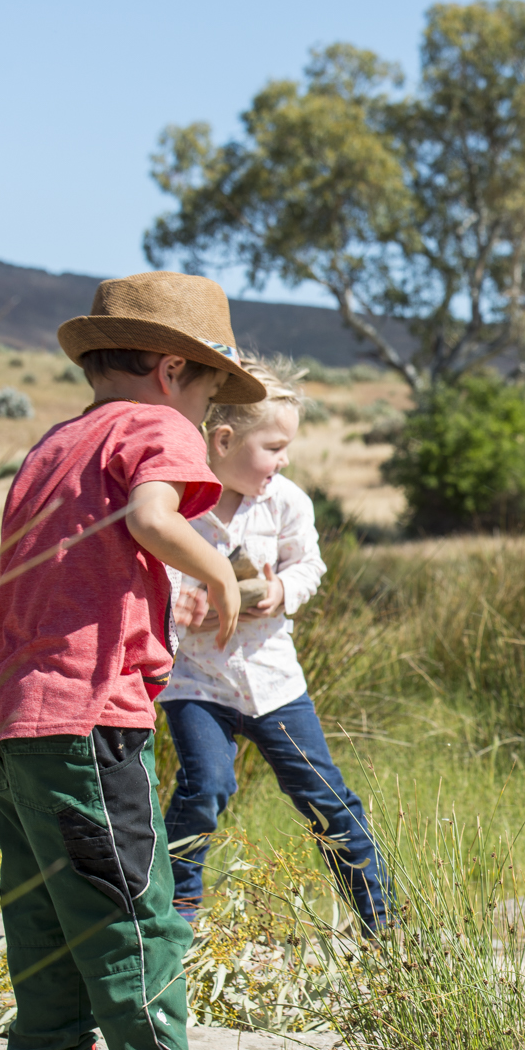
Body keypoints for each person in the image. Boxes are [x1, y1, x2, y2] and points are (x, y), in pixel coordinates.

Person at [0, 270, 264, 1050]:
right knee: (134, 903)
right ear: (174, 371)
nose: (207, 419)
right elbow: (150, 515)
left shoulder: (55, 444)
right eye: (209, 391)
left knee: (47, 908)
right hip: (84, 709)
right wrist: (216, 569)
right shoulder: (155, 424)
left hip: (6, 714)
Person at [161, 357, 391, 934]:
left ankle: (380, 919)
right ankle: (176, 916)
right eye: (273, 446)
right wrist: (186, 605)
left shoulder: (286, 501)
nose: (283, 460)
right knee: (205, 786)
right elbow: (155, 578)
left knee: (323, 795)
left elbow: (309, 565)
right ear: (222, 439)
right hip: (195, 681)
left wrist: (282, 590)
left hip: (273, 681)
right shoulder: (175, 506)